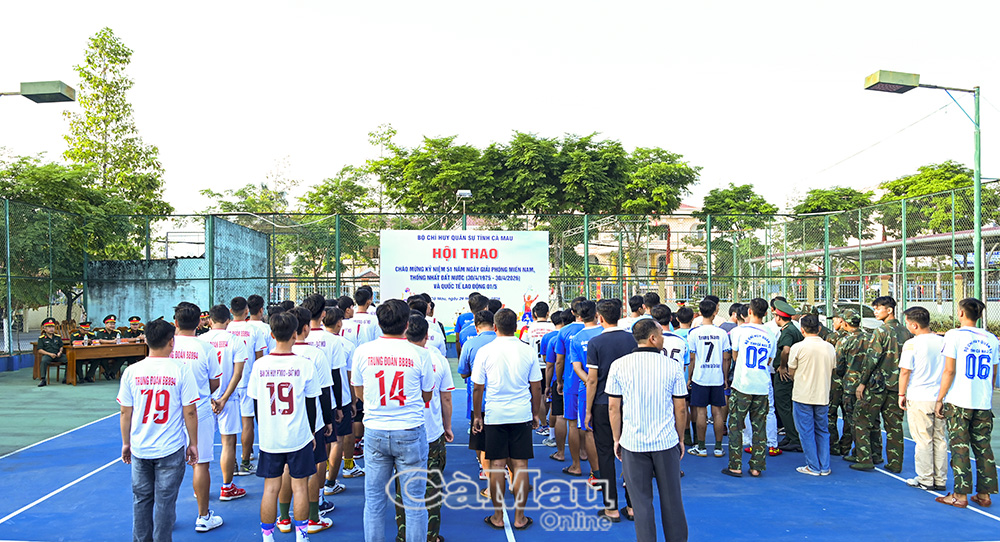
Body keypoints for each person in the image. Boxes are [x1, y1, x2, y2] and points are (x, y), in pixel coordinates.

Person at [351, 299, 435, 542]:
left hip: (375, 429)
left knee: (374, 500)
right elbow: (427, 394)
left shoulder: (363, 351)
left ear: (379, 323)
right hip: (409, 430)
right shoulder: (421, 354)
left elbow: (359, 391)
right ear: (407, 324)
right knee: (414, 501)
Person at [117, 319, 200, 542]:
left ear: (146, 340)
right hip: (169, 447)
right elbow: (190, 412)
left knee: (141, 500)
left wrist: (126, 443)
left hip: (140, 446)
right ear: (171, 342)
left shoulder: (132, 372)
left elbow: (125, 412)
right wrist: (193, 443)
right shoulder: (181, 370)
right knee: (165, 502)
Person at [608, 319, 688, 542]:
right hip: (665, 442)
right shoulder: (672, 366)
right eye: (661, 334)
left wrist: (616, 438)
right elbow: (681, 407)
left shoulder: (619, 365)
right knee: (672, 501)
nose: (663, 338)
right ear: (653, 338)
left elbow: (613, 407)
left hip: (633, 443)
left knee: (641, 504)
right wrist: (680, 438)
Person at [247, 311, 322, 542]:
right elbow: (311, 405)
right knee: (300, 487)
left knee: (270, 488)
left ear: (271, 334)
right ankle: (302, 536)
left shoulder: (259, 366)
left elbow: (257, 403)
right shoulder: (304, 365)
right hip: (298, 435)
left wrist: (265, 429)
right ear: (294, 334)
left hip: (271, 437)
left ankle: (267, 537)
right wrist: (311, 432)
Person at [473, 308, 542, 531]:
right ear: (516, 327)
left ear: (495, 327)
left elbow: (478, 387)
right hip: (521, 413)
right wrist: (535, 413)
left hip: (495, 414)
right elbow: (536, 386)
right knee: (521, 467)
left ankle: (498, 516)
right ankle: (520, 517)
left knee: (496, 466)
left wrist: (477, 415)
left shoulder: (485, 351)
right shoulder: (527, 350)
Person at [395, 314, 455, 542]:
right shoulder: (437, 358)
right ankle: (430, 536)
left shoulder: (394, 356)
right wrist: (447, 426)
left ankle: (404, 534)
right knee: (432, 487)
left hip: (402, 430)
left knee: (403, 486)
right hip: (430, 431)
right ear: (427, 335)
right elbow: (446, 398)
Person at [935, 298, 999, 508]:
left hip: (959, 401)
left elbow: (949, 370)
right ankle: (985, 494)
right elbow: (993, 373)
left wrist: (940, 398)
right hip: (983, 402)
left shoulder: (954, 335)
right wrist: (985, 393)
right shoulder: (991, 339)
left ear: (961, 313)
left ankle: (960, 495)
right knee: (983, 448)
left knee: (960, 448)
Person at [169, 302, 223, 532]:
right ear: (200, 322)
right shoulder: (205, 347)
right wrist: (199, 393)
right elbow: (215, 381)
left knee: (168, 466)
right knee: (200, 463)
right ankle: (203, 516)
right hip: (199, 409)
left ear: (175, 322)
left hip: (172, 411)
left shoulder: (167, 345)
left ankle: (165, 516)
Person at [585, 299, 637, 521]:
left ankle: (611, 507)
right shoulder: (632, 339)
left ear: (600, 317)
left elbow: (592, 380)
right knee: (631, 454)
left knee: (605, 454)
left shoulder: (595, 342)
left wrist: (588, 410)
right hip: (630, 402)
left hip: (603, 403)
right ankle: (632, 506)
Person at [288, 305, 336, 534]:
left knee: (285, 469)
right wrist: (328, 419)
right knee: (316, 465)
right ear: (306, 328)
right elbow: (324, 390)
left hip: (285, 420)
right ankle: (314, 515)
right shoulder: (315, 355)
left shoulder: (274, 356)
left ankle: (283, 518)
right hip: (311, 419)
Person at [852, 296, 911, 473]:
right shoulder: (906, 332)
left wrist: (862, 383)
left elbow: (872, 359)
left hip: (878, 385)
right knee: (894, 426)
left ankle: (865, 459)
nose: (875, 311)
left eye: (878, 308)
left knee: (862, 420)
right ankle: (895, 463)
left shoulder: (881, 331)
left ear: (889, 310)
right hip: (897, 386)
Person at [201, 305, 249, 503]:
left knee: (201, 445)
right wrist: (224, 398)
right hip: (228, 398)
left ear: (209, 321)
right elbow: (238, 373)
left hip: (205, 399)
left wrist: (210, 397)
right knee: (228, 443)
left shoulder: (201, 341)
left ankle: (200, 487)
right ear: (228, 320)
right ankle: (227, 487)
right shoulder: (235, 340)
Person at [724, 298, 775, 478]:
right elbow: (769, 360)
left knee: (735, 425)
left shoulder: (739, 331)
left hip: (743, 384)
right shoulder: (770, 333)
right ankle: (757, 466)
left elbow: (735, 356)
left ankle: (735, 465)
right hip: (761, 384)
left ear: (749, 312)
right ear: (766, 313)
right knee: (759, 426)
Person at [898, 306, 947, 490]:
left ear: (914, 325)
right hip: (940, 396)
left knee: (923, 439)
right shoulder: (943, 341)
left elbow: (905, 371)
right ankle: (940, 479)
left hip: (919, 396)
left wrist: (901, 394)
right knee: (940, 439)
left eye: (907, 323)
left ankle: (926, 478)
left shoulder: (911, 344)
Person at [788, 314, 836, 476]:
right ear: (819, 328)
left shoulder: (798, 347)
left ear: (802, 330)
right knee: (822, 430)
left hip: (803, 394)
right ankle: (824, 465)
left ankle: (813, 466)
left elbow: (791, 370)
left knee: (806, 431)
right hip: (823, 394)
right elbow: (833, 368)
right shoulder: (829, 347)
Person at [686, 298, 731, 457]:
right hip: (716, 377)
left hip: (700, 377)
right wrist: (725, 377)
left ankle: (701, 447)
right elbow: (726, 358)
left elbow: (692, 359)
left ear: (700, 312)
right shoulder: (721, 333)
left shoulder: (694, 333)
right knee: (717, 412)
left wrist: (690, 377)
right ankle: (718, 448)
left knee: (701, 412)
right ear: (715, 313)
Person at [229, 296, 268, 476]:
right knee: (247, 422)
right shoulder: (254, 330)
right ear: (247, 311)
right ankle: (245, 461)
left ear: (231, 311)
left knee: (229, 427)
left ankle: (231, 463)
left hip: (228, 383)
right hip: (247, 381)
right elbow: (259, 359)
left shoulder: (226, 330)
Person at [457, 309, 497, 482]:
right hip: (501, 397)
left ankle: (483, 468)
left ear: (476, 326)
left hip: (479, 398)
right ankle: (504, 469)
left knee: (479, 436)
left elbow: (463, 372)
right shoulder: (503, 342)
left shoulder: (470, 344)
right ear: (494, 325)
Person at [567, 300, 602, 479]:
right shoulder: (605, 332)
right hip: (609, 388)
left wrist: (589, 382)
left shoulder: (577, 338)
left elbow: (577, 367)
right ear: (596, 314)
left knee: (589, 429)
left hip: (586, 389)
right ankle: (624, 475)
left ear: (579, 316)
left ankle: (596, 473)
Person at [838, 310, 879, 462]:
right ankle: (876, 453)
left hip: (851, 385)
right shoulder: (871, 338)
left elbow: (839, 365)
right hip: (870, 384)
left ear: (845, 323)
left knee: (854, 421)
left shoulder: (844, 341)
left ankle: (860, 454)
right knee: (873, 420)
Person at [554, 298, 587, 471]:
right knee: (589, 423)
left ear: (573, 312)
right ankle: (584, 452)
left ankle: (576, 465)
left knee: (573, 423)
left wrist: (559, 380)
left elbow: (559, 361)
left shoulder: (564, 332)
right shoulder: (596, 330)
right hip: (592, 382)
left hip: (572, 382)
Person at [772, 300, 804, 453]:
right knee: (788, 406)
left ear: (779, 317)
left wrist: (783, 366)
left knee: (783, 406)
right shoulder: (793, 328)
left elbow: (786, 350)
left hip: (784, 376)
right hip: (792, 374)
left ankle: (794, 438)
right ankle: (792, 436)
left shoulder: (788, 331)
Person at [542, 311, 565, 452]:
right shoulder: (576, 334)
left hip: (557, 379)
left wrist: (548, 384)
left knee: (556, 411)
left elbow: (548, 362)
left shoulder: (550, 337)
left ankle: (553, 437)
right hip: (578, 379)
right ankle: (582, 451)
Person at [91, 314, 123, 381]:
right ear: (105, 324)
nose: (112, 326)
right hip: (104, 352)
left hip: (115, 352)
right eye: (110, 324)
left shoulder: (117, 332)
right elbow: (100, 340)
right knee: (102, 358)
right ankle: (109, 372)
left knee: (123, 357)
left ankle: (112, 372)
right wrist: (112, 341)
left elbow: (122, 340)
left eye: (113, 324)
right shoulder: (100, 332)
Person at [37, 317, 66, 387]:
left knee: (69, 359)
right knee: (43, 361)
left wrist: (60, 352)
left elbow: (61, 346)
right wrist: (49, 354)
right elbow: (40, 350)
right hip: (48, 355)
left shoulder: (57, 337)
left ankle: (66, 377)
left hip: (57, 355)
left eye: (52, 327)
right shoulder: (42, 338)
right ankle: (43, 379)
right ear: (45, 329)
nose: (51, 329)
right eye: (49, 327)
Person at [454, 291, 481, 358]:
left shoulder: (462, 317)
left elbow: (457, 340)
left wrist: (460, 358)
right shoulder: (487, 317)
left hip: (467, 355)